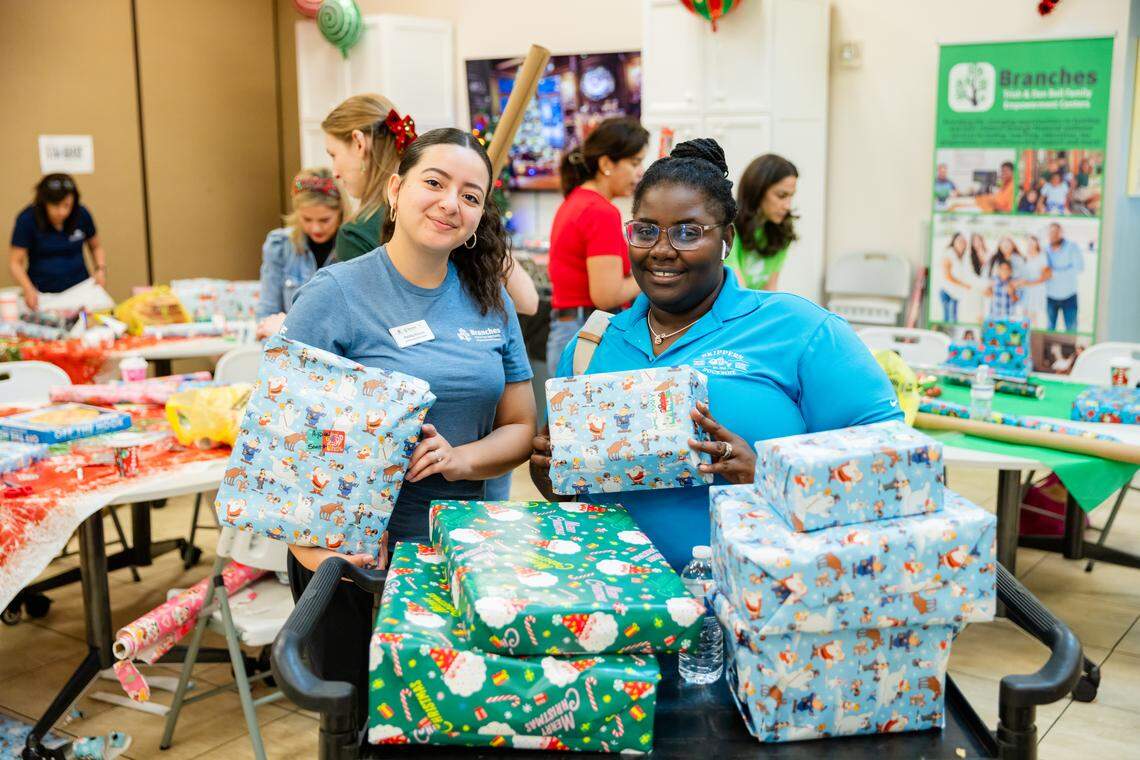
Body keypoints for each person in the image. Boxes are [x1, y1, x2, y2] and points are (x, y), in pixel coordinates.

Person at [529, 138, 902, 570]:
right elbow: (578, 496)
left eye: (689, 232)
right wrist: (551, 473)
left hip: (756, 610)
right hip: (620, 612)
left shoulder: (800, 332)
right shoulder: (590, 347)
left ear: (726, 238)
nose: (663, 249)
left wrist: (761, 475)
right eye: (646, 230)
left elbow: (894, 472)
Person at [282, 128, 537, 722]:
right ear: (396, 190)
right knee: (363, 727)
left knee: (454, 718)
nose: (452, 203)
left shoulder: (489, 299)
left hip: (463, 557)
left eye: (471, 196)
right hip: (354, 563)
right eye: (435, 182)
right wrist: (318, 553)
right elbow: (283, 436)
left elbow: (522, 425)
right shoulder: (337, 293)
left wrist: (461, 460)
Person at [546, 118, 648, 370]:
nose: (640, 172)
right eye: (634, 162)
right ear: (606, 164)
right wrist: (650, 275)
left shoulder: (577, 200)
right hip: (587, 334)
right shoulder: (600, 211)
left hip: (570, 331)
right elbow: (607, 295)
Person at [255, 168, 348, 338]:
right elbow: (266, 314)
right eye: (307, 219)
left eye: (324, 220)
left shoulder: (352, 248)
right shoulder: (279, 245)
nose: (316, 228)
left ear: (340, 213)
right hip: (287, 351)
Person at [321, 94, 412, 263]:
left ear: (359, 143)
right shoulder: (424, 210)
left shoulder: (357, 235)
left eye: (334, 155)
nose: (335, 173)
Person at [9, 174, 106, 309]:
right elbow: (15, 262)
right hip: (43, 294)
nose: (62, 212)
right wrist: (28, 289)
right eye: (55, 205)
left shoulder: (81, 214)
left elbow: (96, 247)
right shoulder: (27, 219)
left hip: (81, 289)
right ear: (44, 203)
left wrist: (100, 269)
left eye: (67, 205)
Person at [724, 153, 798, 291]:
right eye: (781, 196)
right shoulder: (729, 226)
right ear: (757, 191)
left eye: (790, 196)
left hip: (755, 308)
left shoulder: (782, 233)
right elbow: (738, 291)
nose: (787, 206)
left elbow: (770, 289)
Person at [1042, 222, 1083, 331]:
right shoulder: (1045, 249)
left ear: (1061, 233)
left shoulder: (1072, 247)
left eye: (1056, 232)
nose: (1053, 235)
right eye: (1050, 233)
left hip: (1069, 296)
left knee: (1071, 328)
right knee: (1050, 328)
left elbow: (1079, 268)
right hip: (1050, 297)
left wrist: (1054, 273)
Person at [939, 232, 971, 323]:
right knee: (949, 320)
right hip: (947, 292)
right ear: (954, 241)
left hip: (956, 293)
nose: (962, 244)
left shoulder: (962, 256)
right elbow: (947, 276)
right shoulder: (949, 254)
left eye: (964, 242)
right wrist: (964, 285)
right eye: (959, 241)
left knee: (954, 319)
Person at [1019, 235, 1051, 326]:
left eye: (1032, 243)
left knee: (1032, 316)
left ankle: (1033, 336)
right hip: (1025, 290)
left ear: (1037, 244)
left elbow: (1045, 276)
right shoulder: (1024, 257)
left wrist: (1030, 283)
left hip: (1036, 289)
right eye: (1028, 243)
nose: (1030, 245)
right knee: (1024, 314)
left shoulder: (1042, 257)